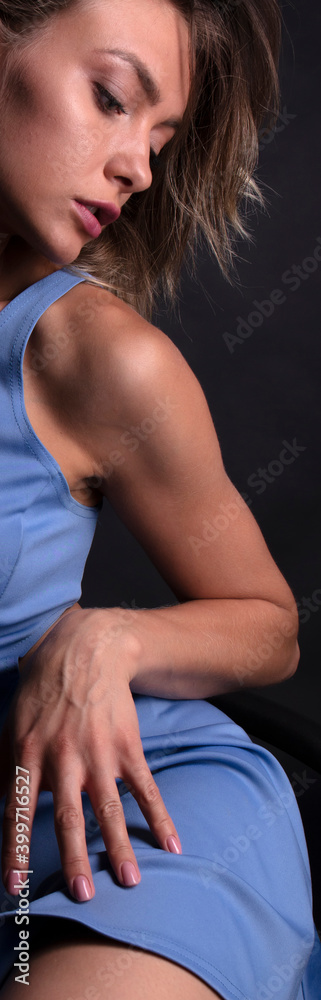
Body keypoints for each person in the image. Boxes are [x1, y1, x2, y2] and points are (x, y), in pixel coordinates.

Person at [0, 0, 320, 996]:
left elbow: (269, 624)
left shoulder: (100, 359)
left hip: (128, 816)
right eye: (112, 99)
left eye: (160, 137)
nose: (139, 166)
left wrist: (114, 639)